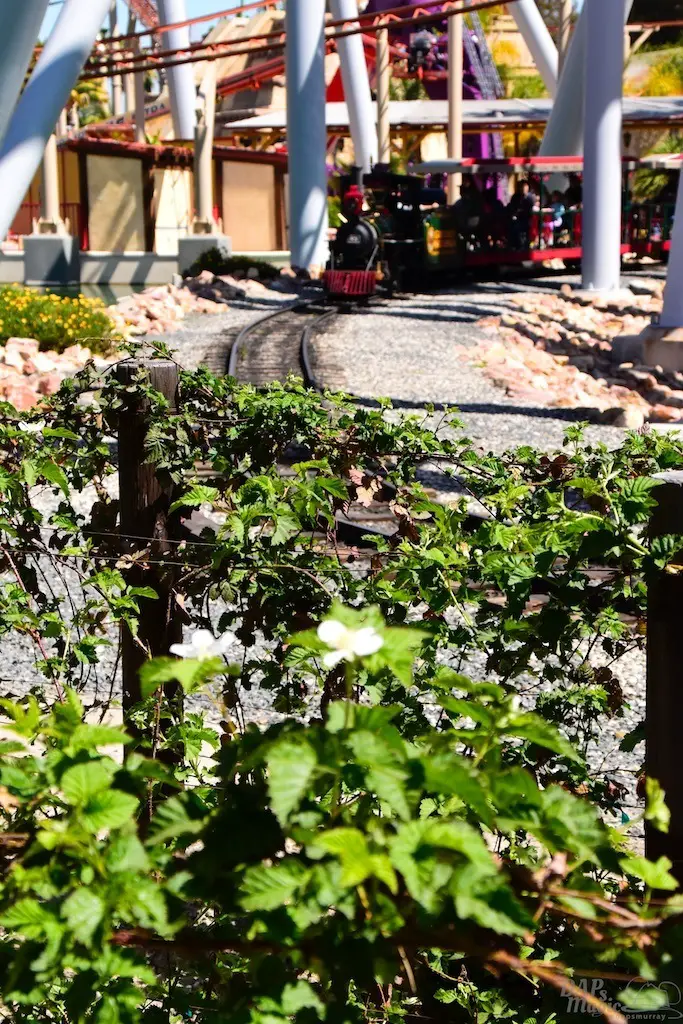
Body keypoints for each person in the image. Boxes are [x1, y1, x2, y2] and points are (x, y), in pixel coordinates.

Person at [508, 181, 536, 249]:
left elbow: (530, 208)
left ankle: (524, 245)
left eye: (525, 186)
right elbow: (512, 207)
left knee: (521, 228)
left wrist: (522, 211)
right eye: (522, 186)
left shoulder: (530, 197)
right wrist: (515, 213)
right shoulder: (515, 197)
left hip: (527, 219)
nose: (523, 188)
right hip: (517, 218)